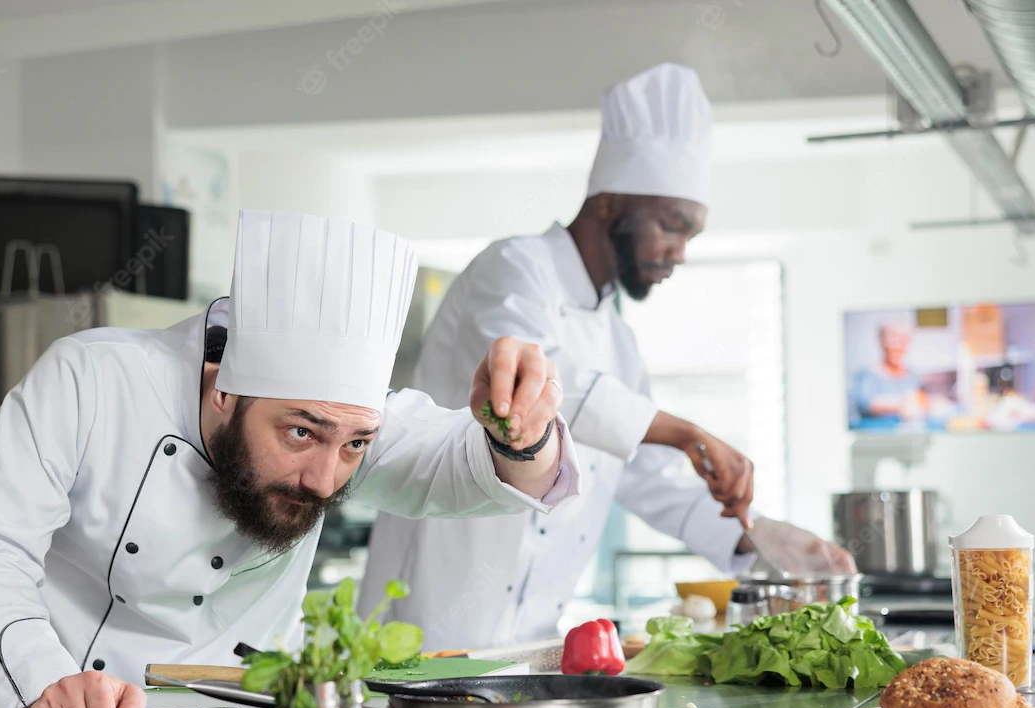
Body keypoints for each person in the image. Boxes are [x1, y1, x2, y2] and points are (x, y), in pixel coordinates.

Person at [0, 210, 580, 708]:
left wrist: (521, 430)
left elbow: (471, 470)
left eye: (355, 446)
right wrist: (43, 678)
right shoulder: (93, 383)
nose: (324, 478)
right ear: (227, 389)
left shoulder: (342, 422)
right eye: (299, 434)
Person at [363, 63, 852, 651]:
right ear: (610, 203)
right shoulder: (515, 268)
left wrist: (757, 539)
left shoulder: (617, 341)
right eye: (673, 226)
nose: (679, 253)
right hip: (427, 614)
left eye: (691, 236)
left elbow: (648, 477)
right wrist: (687, 431)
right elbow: (533, 379)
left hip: (530, 638)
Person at [852, 323, 925, 425]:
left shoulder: (912, 375)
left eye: (903, 340)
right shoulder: (867, 374)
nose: (898, 346)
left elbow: (920, 402)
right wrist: (901, 403)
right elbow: (865, 404)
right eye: (893, 340)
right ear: (881, 341)